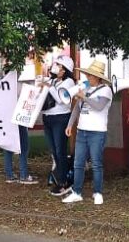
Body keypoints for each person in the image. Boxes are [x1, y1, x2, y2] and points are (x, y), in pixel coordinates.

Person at [63, 60, 113, 204]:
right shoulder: (85, 89)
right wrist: (70, 124)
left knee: (96, 163)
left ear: (98, 77)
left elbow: (99, 106)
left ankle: (98, 192)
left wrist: (84, 97)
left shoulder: (106, 90)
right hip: (82, 131)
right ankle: (76, 192)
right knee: (78, 163)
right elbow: (77, 108)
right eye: (87, 75)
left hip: (97, 132)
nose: (88, 77)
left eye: (91, 75)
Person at [41, 55, 75, 196]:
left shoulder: (69, 82)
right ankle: (61, 177)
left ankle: (63, 182)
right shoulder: (53, 80)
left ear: (65, 69)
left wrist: (50, 87)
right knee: (54, 151)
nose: (56, 67)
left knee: (60, 151)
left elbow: (62, 100)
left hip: (60, 119)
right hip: (48, 118)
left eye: (59, 65)